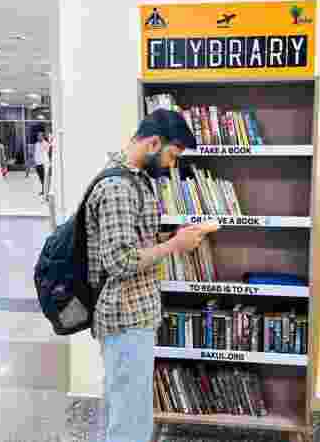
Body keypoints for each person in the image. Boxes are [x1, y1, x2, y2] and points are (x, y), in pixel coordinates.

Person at [87, 109, 215, 442]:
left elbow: (131, 243)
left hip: (135, 314)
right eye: (172, 154)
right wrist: (174, 244)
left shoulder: (134, 180)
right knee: (130, 419)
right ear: (155, 142)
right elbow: (120, 261)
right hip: (125, 315)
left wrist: (171, 240)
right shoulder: (117, 186)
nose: (173, 164)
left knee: (129, 408)